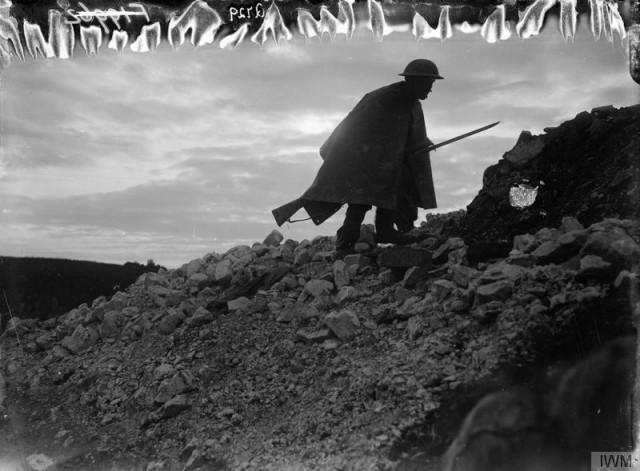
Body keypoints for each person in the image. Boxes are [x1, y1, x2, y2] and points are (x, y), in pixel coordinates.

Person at [272, 59, 442, 257]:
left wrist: (419, 144)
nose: (430, 89)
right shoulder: (382, 98)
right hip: (362, 159)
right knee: (360, 200)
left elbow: (402, 134)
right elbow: (358, 128)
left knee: (396, 188)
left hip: (387, 163)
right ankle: (345, 244)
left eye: (432, 84)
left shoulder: (412, 104)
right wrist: (376, 157)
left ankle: (386, 231)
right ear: (413, 81)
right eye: (428, 83)